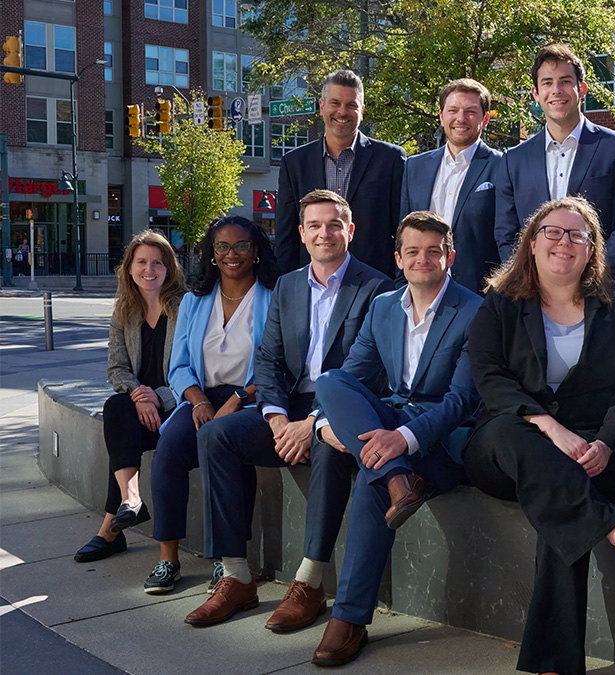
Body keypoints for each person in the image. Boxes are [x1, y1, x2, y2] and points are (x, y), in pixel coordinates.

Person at [465, 197, 615, 675]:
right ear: (532, 244)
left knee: (562, 503)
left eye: (578, 235)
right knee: (519, 438)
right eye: (553, 232)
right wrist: (548, 425)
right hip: (510, 446)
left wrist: (608, 440)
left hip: (595, 452)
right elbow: (489, 375)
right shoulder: (500, 303)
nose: (565, 242)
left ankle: (554, 665)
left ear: (592, 248)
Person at [183, 191, 392, 628]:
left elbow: (369, 371)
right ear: (301, 233)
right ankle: (236, 577)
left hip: (342, 408)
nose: (324, 233)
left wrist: (313, 422)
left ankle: (310, 581)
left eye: (334, 224)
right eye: (314, 225)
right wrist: (277, 418)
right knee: (216, 436)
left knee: (331, 448)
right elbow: (270, 359)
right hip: (288, 406)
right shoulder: (289, 285)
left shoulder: (376, 287)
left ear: (349, 230)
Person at [307, 211, 483, 666]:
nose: (422, 259)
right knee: (328, 382)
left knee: (373, 476)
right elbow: (350, 378)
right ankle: (398, 480)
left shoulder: (476, 312)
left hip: (443, 441)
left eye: (433, 251)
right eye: (412, 251)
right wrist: (327, 425)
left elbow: (463, 401)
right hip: (395, 428)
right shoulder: (384, 305)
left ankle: (348, 620)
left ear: (450, 256)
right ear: (398, 259)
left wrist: (400, 440)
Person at [144, 216, 278, 594]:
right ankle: (167, 560)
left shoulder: (275, 296)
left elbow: (279, 365)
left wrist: (239, 399)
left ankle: (227, 562)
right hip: (201, 396)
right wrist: (198, 400)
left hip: (253, 398)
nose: (231, 254)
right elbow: (179, 366)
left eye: (241, 246)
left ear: (255, 252)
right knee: (168, 453)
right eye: (222, 246)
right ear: (212, 254)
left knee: (228, 448)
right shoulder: (194, 300)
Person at [74, 230, 186, 563]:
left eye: (157, 262)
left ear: (168, 268)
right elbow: (116, 369)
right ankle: (131, 499)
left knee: (120, 427)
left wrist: (159, 397)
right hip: (139, 408)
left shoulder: (187, 306)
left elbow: (198, 367)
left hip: (176, 405)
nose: (148, 269)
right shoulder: (124, 310)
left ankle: (112, 527)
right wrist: (139, 394)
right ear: (129, 267)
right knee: (117, 407)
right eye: (141, 262)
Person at [494, 44, 615, 283]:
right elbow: (506, 234)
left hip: (603, 293)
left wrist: (594, 281)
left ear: (581, 89)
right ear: (535, 93)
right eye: (547, 83)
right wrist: (528, 281)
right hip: (532, 295)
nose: (556, 90)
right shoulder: (514, 159)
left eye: (565, 81)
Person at [275, 69, 407, 276]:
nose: (342, 112)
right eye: (335, 103)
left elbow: (401, 232)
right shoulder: (294, 163)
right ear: (322, 107)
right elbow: (286, 236)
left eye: (351, 105)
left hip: (374, 285)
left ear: (361, 111)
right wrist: (287, 289)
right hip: (313, 284)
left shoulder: (391, 159)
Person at [399, 78, 502, 294]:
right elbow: (403, 233)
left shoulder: (503, 166)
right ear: (441, 115)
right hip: (420, 292)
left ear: (485, 118)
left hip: (481, 296)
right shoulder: (414, 167)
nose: (460, 118)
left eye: (471, 111)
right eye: (453, 110)